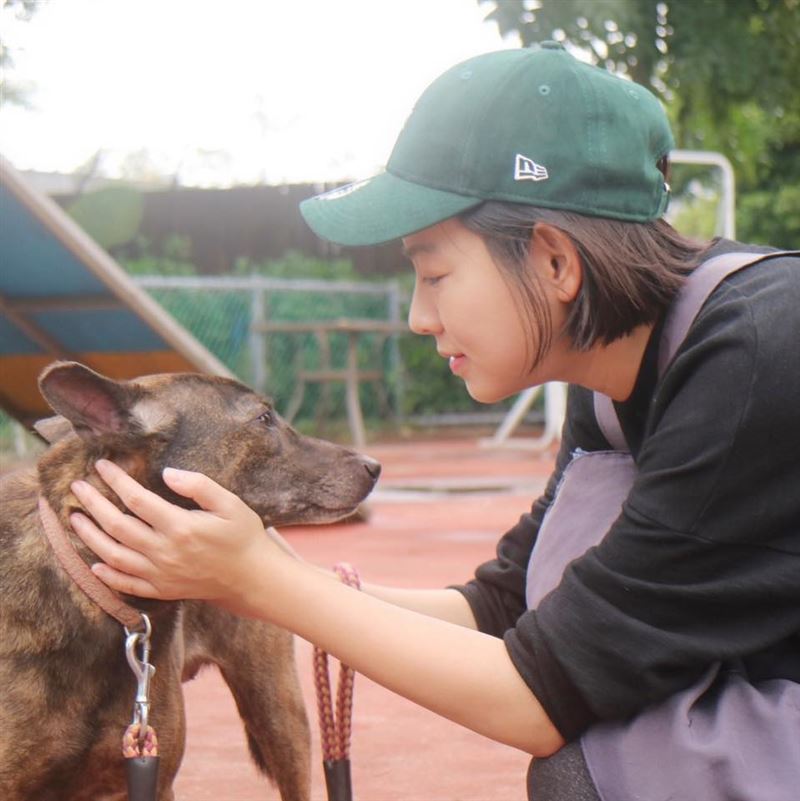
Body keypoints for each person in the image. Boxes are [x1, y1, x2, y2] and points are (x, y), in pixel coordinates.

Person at [69, 43, 800, 800]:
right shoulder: (612, 378)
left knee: (594, 761)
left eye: (435, 272)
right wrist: (262, 569)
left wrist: (258, 583)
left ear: (554, 261)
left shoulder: (757, 353)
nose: (419, 317)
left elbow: (540, 696)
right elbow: (507, 607)